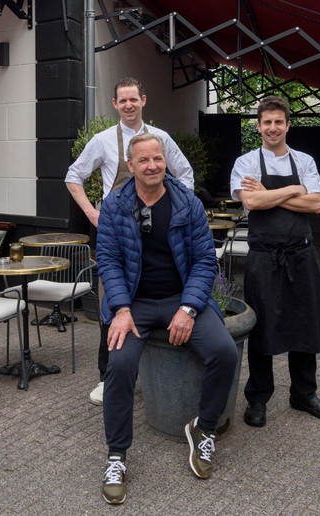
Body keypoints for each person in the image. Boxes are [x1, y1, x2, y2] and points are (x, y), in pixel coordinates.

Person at [96, 132, 237, 505]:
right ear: (131, 165)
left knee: (225, 353)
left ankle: (203, 430)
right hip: (134, 302)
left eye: (157, 158)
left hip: (180, 298)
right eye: (143, 160)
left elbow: (206, 260)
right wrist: (121, 310)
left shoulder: (185, 202)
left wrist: (189, 308)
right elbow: (108, 262)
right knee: (120, 365)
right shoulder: (114, 206)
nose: (152, 165)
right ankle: (117, 455)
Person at [65, 77, 195, 406]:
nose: (128, 105)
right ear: (114, 105)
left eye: (133, 99)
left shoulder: (160, 139)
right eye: (122, 100)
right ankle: (108, 377)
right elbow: (73, 176)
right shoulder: (103, 140)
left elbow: (186, 173)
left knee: (155, 295)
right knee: (113, 302)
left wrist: (181, 210)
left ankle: (152, 372)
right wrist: (92, 214)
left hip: (158, 233)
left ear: (143, 100)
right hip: (117, 233)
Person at [230, 95, 320, 428]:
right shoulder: (245, 162)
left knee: (305, 323)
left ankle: (304, 394)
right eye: (267, 122)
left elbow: (316, 205)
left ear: (288, 125)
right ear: (258, 126)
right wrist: (295, 190)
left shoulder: (304, 159)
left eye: (279, 122)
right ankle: (258, 397)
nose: (273, 127)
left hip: (301, 254)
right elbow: (251, 200)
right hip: (263, 256)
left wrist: (271, 196)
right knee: (261, 328)